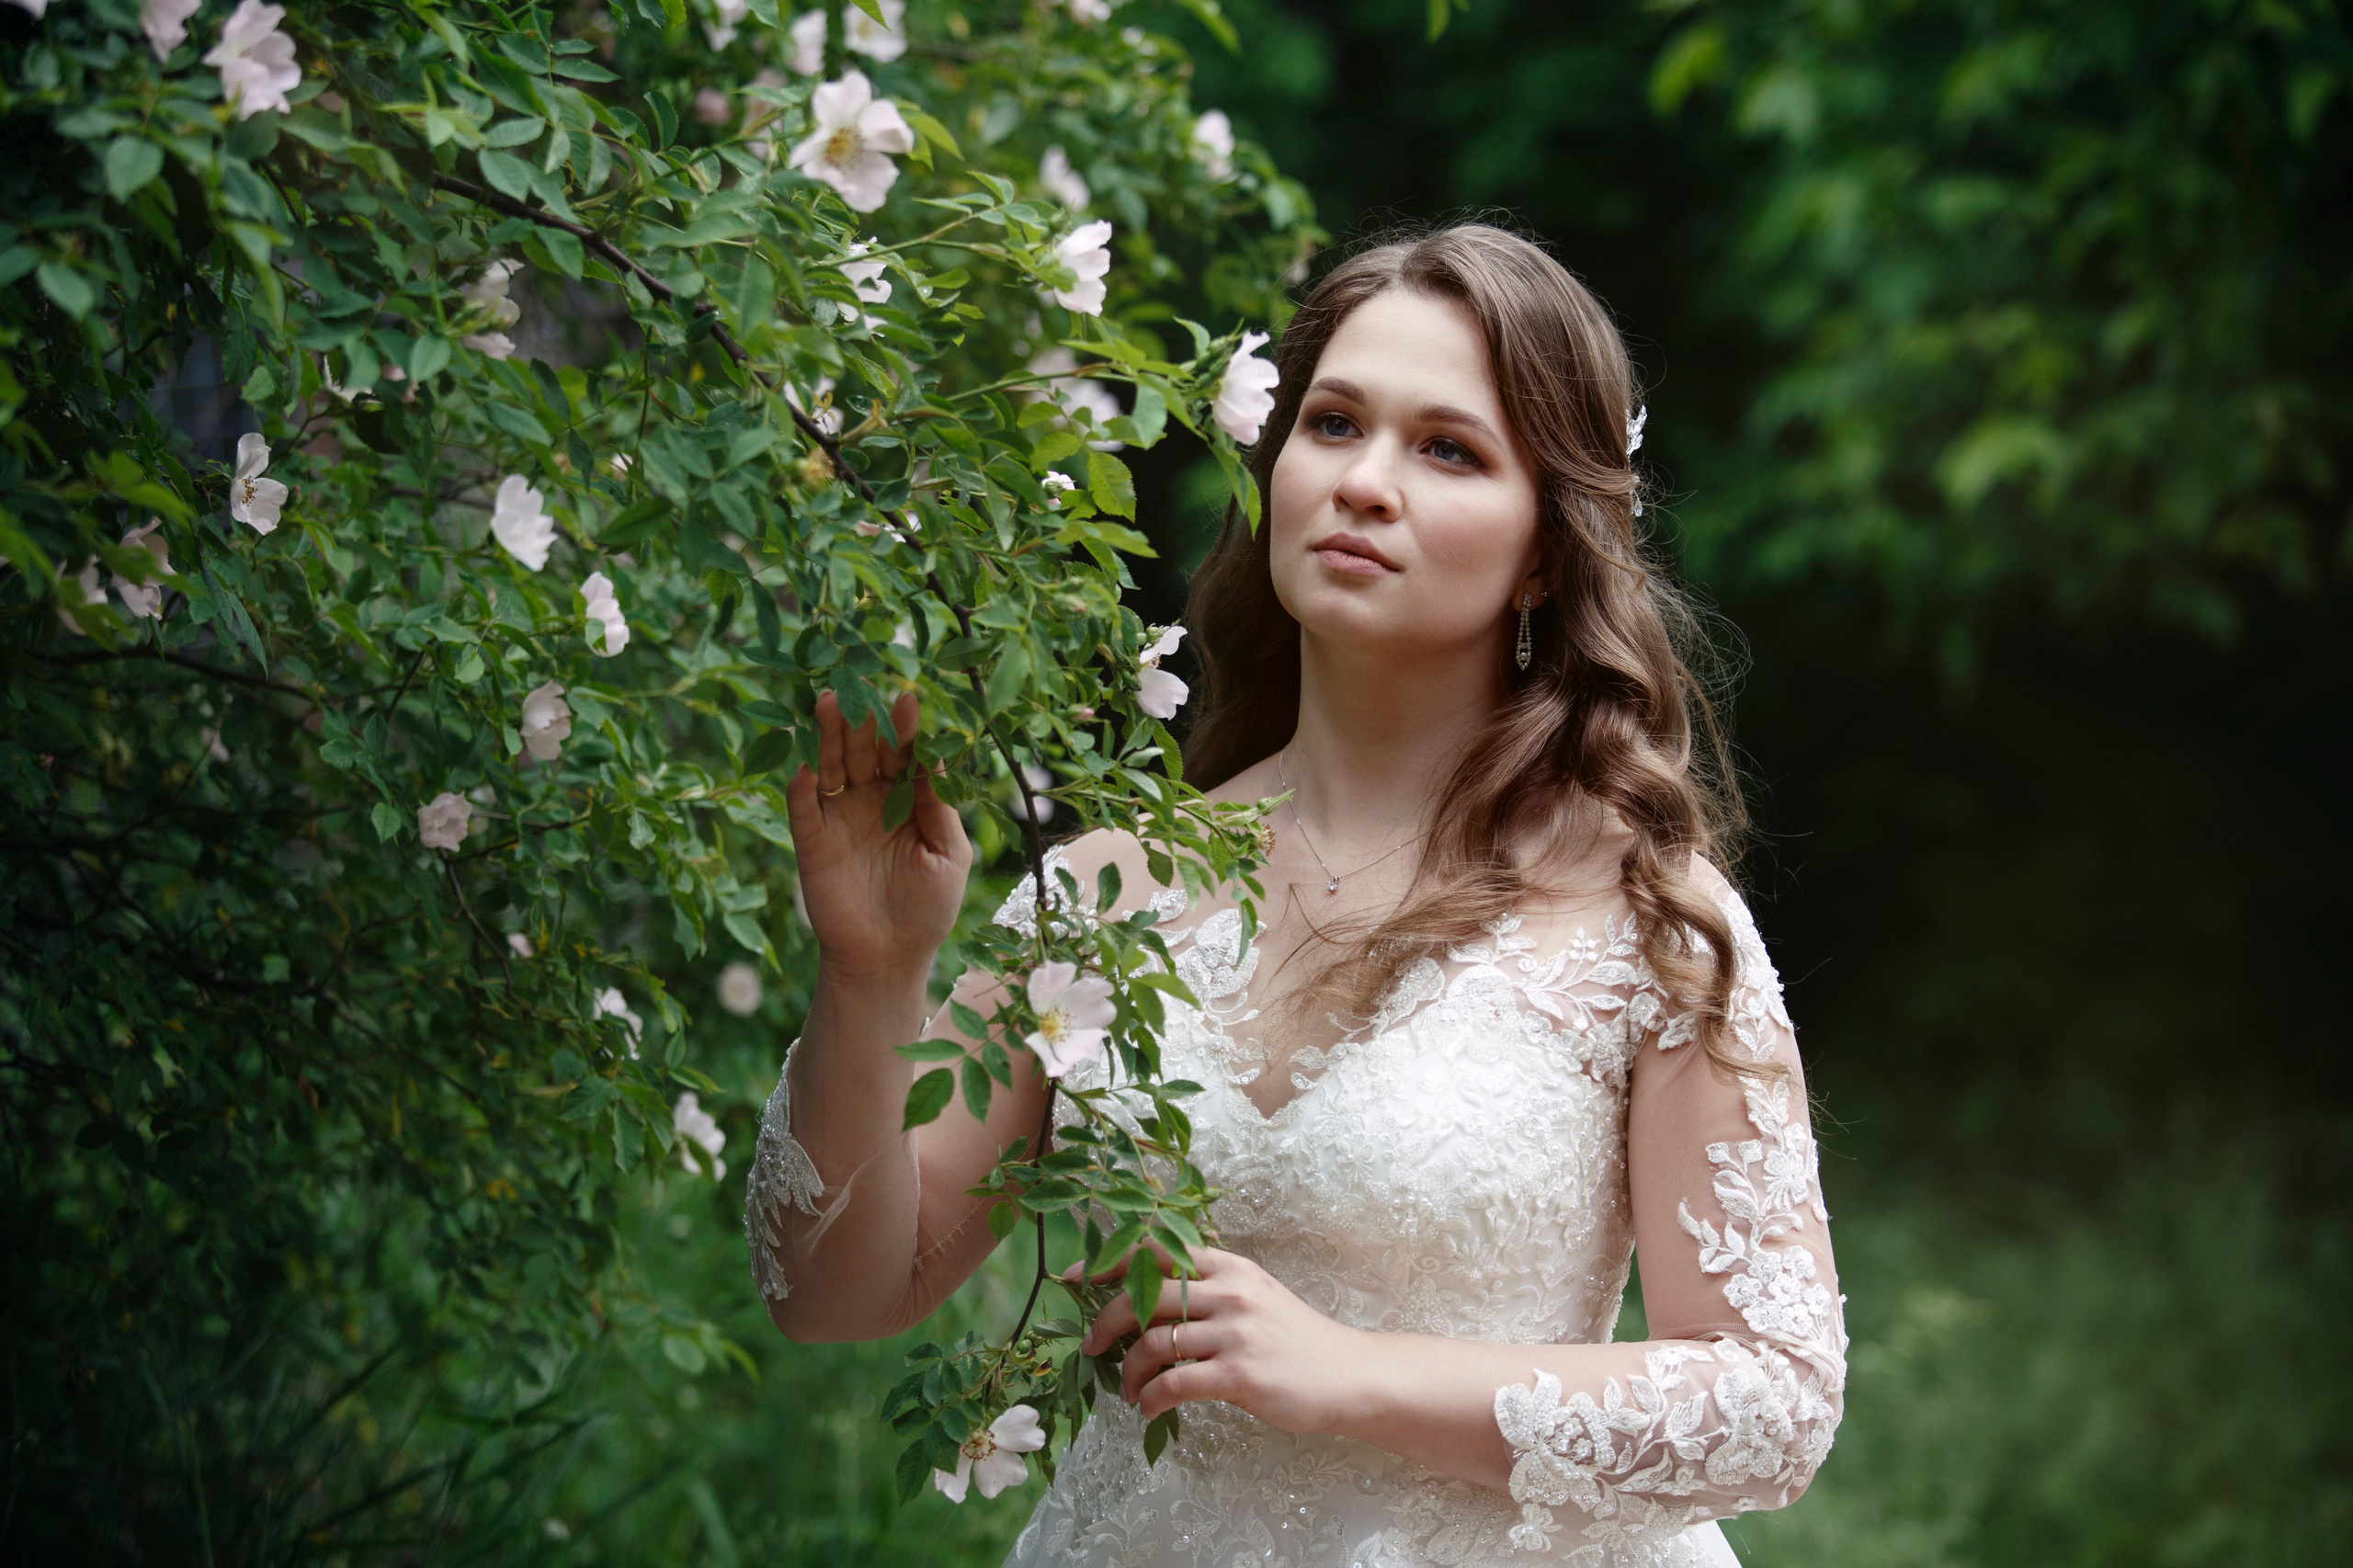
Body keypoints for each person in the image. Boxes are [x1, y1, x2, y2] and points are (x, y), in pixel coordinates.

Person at [747, 224, 1845, 1567]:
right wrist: (871, 983)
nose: (1367, 481)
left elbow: (1773, 1402)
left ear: (1549, 548)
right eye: (1333, 423)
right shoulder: (1105, 896)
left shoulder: (1643, 921)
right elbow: (833, 1289)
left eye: (1449, 448)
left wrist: (1346, 1372)